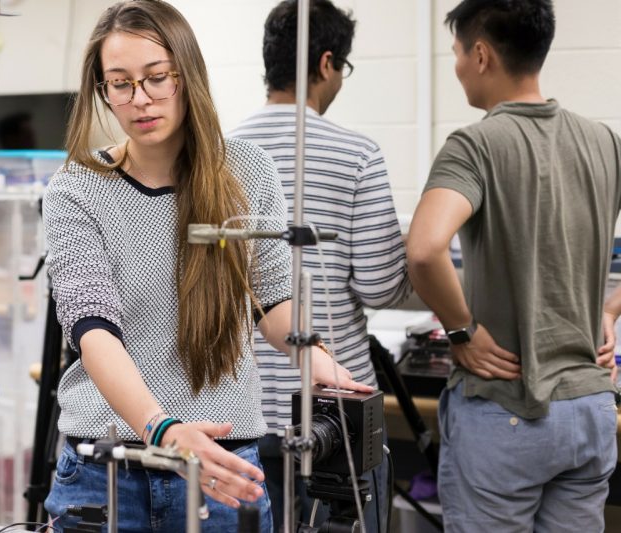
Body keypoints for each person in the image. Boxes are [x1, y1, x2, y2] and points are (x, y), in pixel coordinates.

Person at [41, 1, 372, 531]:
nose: (140, 99)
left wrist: (319, 362)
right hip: (109, 467)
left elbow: (270, 300)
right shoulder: (77, 189)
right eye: (119, 84)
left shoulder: (245, 169)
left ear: (187, 74)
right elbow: (93, 328)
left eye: (156, 78)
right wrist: (162, 429)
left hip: (222, 464)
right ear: (102, 90)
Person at [406, 1, 619, 531]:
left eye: (457, 53)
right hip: (589, 409)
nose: (456, 67)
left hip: (507, 409)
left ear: (480, 55)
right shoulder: (604, 142)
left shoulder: (475, 145)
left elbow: (426, 249)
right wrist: (609, 312)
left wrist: (461, 331)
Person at [230, 1, 410, 531]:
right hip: (332, 411)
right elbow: (378, 285)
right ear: (327, 63)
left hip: (237, 411)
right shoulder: (357, 154)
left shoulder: (218, 152)